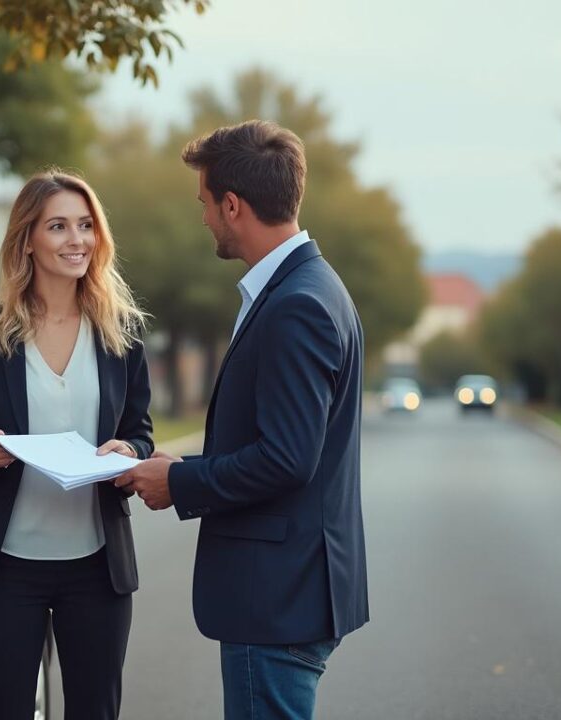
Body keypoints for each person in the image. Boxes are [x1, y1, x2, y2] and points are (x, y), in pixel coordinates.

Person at [115, 120, 368, 720]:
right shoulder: (310, 286)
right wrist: (182, 465)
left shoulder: (296, 305)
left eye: (204, 203)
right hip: (293, 589)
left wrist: (178, 483)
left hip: (277, 597)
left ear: (233, 205)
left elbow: (286, 459)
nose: (203, 217)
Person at [0, 169, 153, 720]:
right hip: (7, 570)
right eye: (58, 226)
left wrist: (129, 454)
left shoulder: (122, 332)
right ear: (28, 241)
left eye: (86, 226)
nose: (76, 240)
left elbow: (140, 432)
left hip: (97, 567)